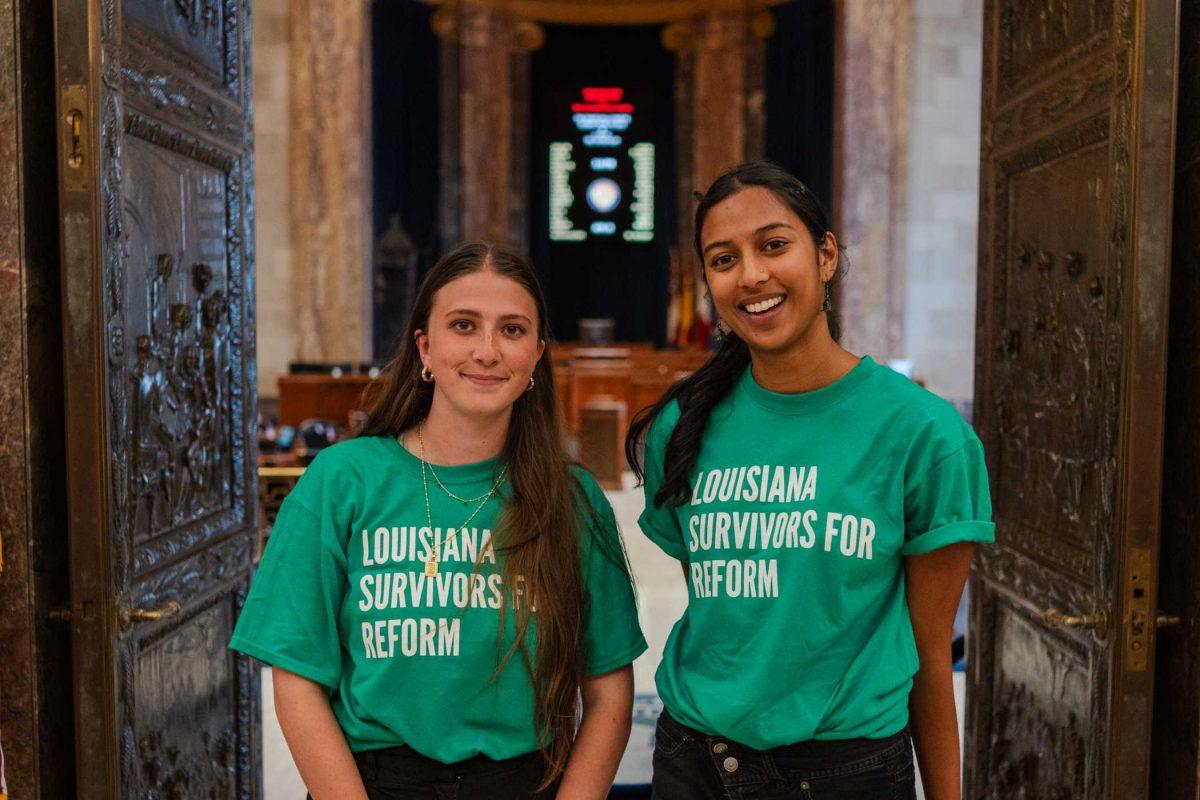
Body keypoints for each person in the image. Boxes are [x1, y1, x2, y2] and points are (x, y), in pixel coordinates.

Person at [626, 162, 993, 800]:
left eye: (773, 245)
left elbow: (932, 659)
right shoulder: (680, 429)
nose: (752, 276)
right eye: (723, 258)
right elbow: (725, 613)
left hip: (845, 774)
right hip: (694, 763)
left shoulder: (925, 436)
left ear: (825, 256)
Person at [232, 242, 647, 800]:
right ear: (424, 348)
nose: (488, 350)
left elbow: (609, 696)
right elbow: (298, 681)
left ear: (537, 357)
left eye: (513, 330)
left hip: (524, 782)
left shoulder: (571, 499)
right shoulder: (343, 479)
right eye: (464, 325)